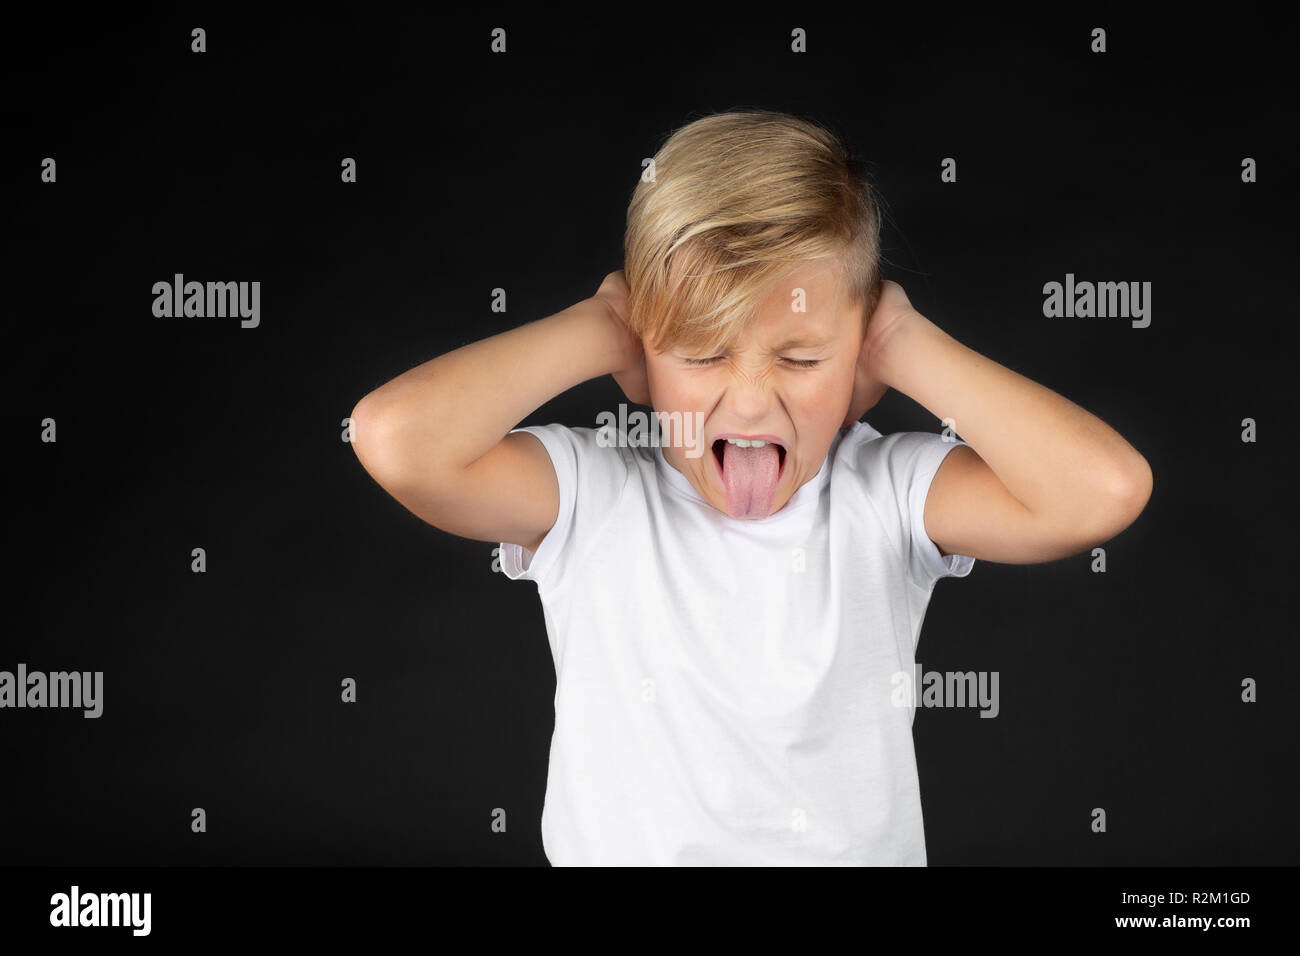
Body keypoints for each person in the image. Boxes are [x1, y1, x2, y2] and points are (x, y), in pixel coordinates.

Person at [349, 110, 1152, 865]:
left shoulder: (887, 493)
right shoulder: (590, 492)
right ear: (643, 347)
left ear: (859, 356)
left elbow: (1101, 490)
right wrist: (599, 326)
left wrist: (905, 340)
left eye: (801, 359)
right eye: (700, 354)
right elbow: (397, 438)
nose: (750, 399)